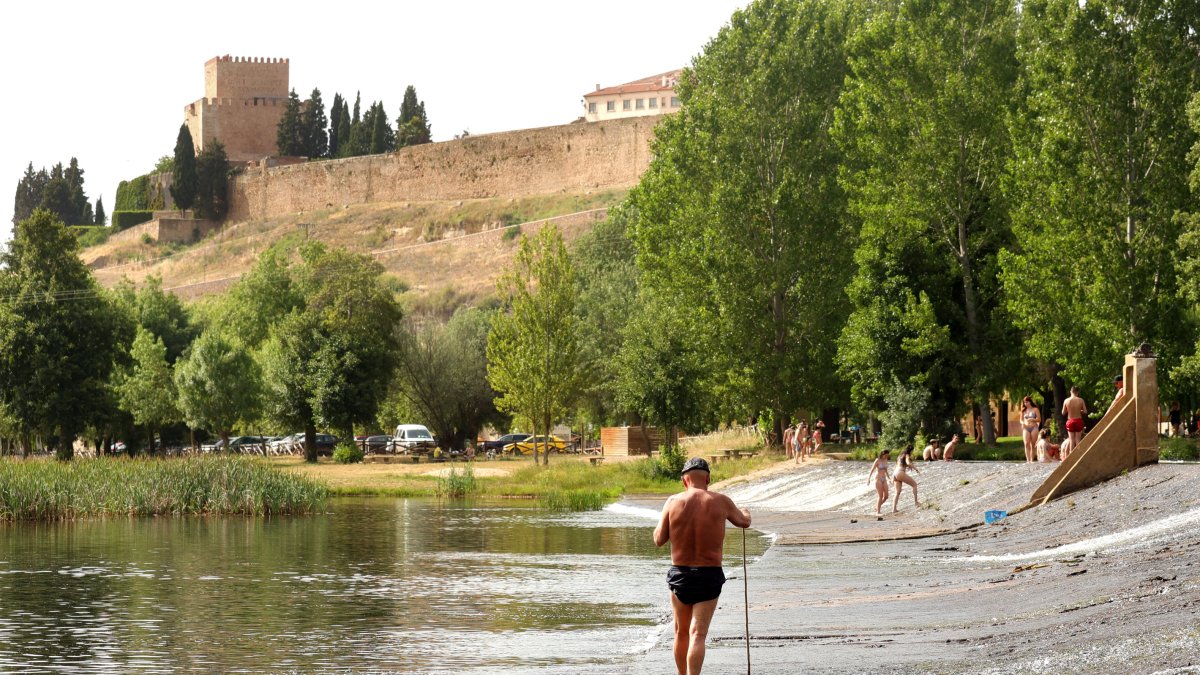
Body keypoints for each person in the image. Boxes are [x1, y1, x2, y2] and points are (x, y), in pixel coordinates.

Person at [654, 457, 752, 675]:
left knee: (681, 632)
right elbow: (744, 522)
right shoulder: (721, 501)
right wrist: (746, 512)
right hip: (709, 574)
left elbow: (659, 539)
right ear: (707, 479)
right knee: (698, 634)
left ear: (684, 481)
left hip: (680, 574)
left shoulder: (672, 502)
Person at [892, 444, 921, 512]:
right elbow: (908, 463)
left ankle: (894, 509)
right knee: (914, 485)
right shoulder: (907, 455)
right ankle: (916, 502)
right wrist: (916, 469)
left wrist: (892, 477)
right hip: (900, 472)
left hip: (895, 473)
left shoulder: (899, 456)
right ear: (911, 451)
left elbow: (896, 466)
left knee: (897, 492)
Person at [1062, 386, 1087, 455]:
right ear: (1077, 392)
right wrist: (1080, 410)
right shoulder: (1081, 400)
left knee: (1071, 440)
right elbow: (1085, 411)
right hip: (1078, 420)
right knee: (1078, 440)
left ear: (1071, 391)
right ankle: (1078, 456)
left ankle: (1070, 456)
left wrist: (1069, 409)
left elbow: (1063, 413)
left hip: (1070, 420)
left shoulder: (1066, 400)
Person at [866, 449, 891, 514]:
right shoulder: (877, 460)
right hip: (878, 478)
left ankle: (877, 507)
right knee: (880, 496)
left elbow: (886, 470)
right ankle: (878, 511)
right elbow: (872, 469)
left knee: (886, 496)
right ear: (883, 454)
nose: (886, 457)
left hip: (884, 478)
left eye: (887, 456)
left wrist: (889, 478)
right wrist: (868, 479)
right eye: (885, 455)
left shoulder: (886, 460)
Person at [1020, 396, 1042, 463]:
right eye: (1024, 402)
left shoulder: (1035, 409)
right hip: (1026, 428)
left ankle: (1032, 460)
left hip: (1034, 427)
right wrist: (1023, 423)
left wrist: (1033, 419)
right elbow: (1020, 420)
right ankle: (1028, 460)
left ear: (1030, 402)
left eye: (1027, 402)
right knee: (1026, 443)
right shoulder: (1023, 410)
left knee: (1032, 444)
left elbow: (1039, 419)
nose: (1025, 403)